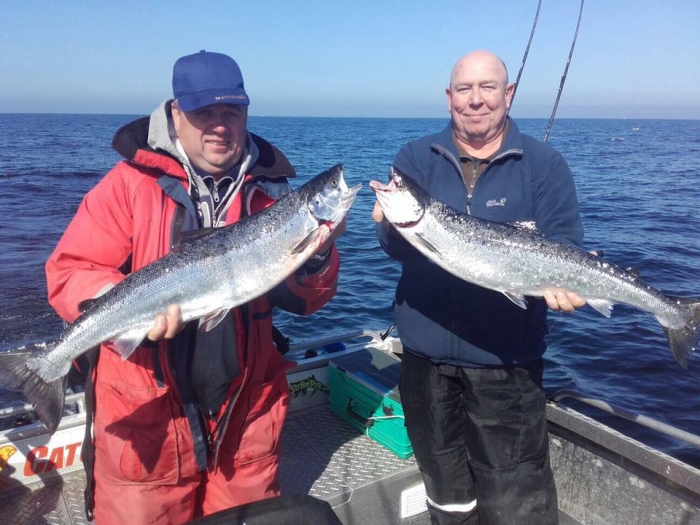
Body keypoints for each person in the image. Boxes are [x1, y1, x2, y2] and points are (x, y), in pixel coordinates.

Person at [46, 50, 344, 525]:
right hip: (147, 416)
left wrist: (320, 255)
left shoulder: (274, 194)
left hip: (246, 413)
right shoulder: (128, 185)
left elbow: (308, 300)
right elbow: (70, 271)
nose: (220, 126)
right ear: (176, 113)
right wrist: (124, 306)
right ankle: (43, 370)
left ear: (247, 113)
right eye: (205, 112)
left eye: (232, 112)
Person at [373, 50, 586, 524]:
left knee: (517, 505)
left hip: (506, 367)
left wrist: (568, 283)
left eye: (487, 87)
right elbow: (396, 248)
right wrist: (389, 226)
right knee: (447, 499)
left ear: (508, 94)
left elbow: (565, 243)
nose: (475, 100)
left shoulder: (544, 165)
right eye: (464, 89)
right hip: (425, 365)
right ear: (448, 97)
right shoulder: (415, 158)